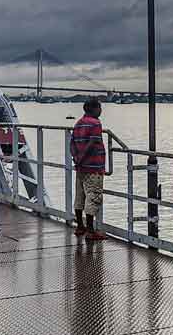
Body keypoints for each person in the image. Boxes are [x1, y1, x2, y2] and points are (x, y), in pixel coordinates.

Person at [70, 98, 107, 241]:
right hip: (93, 166)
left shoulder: (79, 123)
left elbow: (71, 143)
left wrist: (76, 158)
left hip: (80, 167)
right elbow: (92, 142)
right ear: (94, 109)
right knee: (94, 196)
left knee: (80, 195)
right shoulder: (95, 123)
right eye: (100, 107)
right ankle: (91, 231)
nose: (101, 110)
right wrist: (82, 157)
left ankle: (80, 226)